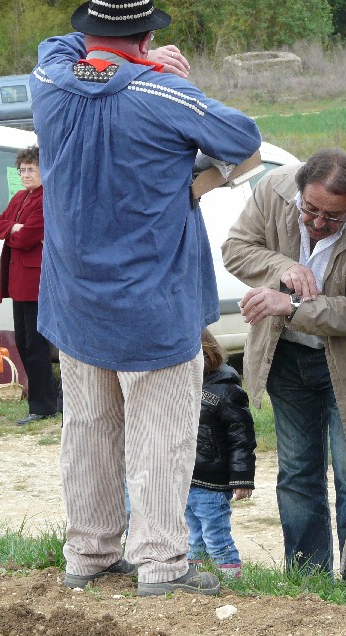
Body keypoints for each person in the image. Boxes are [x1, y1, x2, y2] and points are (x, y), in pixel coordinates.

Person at [31, 0, 261, 596]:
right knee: (161, 435)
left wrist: (125, 58)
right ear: (147, 34)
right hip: (153, 303)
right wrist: (194, 183)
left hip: (75, 299)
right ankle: (161, 565)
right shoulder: (164, 93)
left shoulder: (51, 79)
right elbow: (242, 139)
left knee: (87, 431)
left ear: (91, 32)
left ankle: (88, 555)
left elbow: (59, 46)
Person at [222, 149, 346, 588]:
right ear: (299, 191)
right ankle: (308, 581)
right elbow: (236, 249)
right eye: (310, 210)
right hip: (285, 358)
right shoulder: (274, 190)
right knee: (298, 473)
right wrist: (283, 268)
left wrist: (293, 305)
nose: (317, 224)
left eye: (332, 218)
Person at [0, 148, 59, 426]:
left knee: (36, 346)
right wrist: (13, 228)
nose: (26, 174)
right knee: (23, 343)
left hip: (35, 283)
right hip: (18, 282)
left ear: (44, 171)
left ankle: (42, 406)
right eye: (22, 170)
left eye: (31, 169)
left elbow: (29, 237)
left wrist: (16, 231)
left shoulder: (47, 198)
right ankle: (45, 400)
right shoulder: (19, 197)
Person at [186, 329, 256, 580]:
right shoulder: (181, 386)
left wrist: (242, 478)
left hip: (212, 484)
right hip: (187, 479)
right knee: (192, 536)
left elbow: (241, 438)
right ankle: (197, 577)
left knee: (216, 537)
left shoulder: (226, 390)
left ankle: (231, 581)